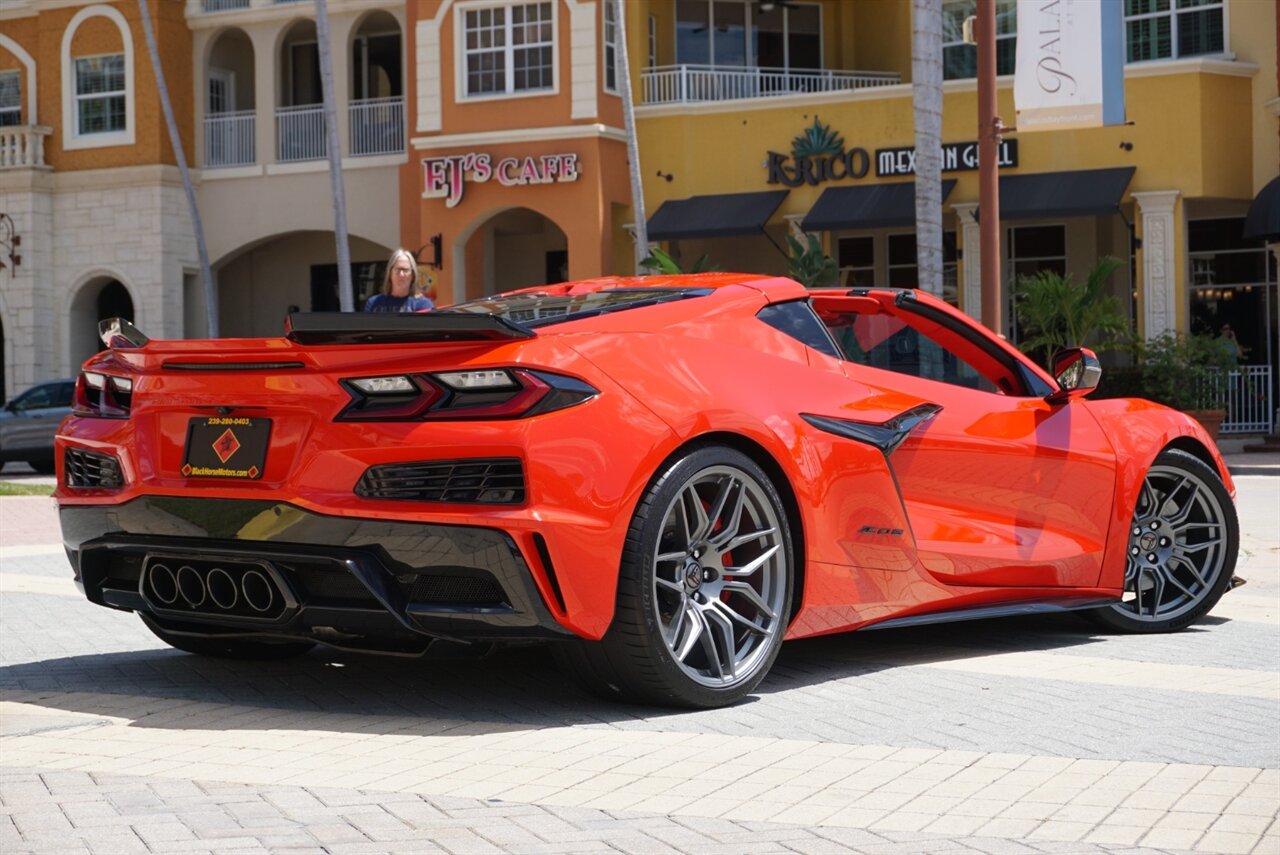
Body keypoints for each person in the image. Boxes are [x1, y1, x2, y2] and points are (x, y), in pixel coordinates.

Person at [364, 248, 434, 312]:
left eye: (405, 270)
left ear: (413, 275)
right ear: (390, 273)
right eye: (397, 269)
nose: (401, 274)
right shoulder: (374, 303)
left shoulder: (423, 305)